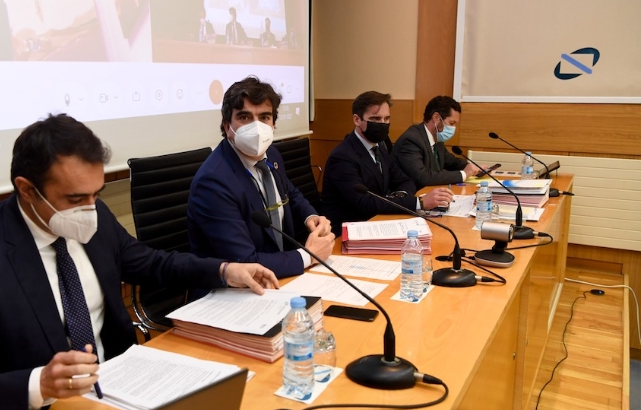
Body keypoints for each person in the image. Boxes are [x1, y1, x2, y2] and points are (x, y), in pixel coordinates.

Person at [0, 114, 279, 410]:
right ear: (27, 190)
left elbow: (149, 262)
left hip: (122, 388)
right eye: (75, 199)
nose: (89, 209)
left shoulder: (93, 216)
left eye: (97, 195)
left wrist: (225, 270)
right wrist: (38, 383)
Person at [188, 76, 335, 279]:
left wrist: (311, 217)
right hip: (233, 291)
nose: (256, 128)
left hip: (280, 275)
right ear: (226, 126)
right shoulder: (213, 182)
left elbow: (290, 192)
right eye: (245, 117)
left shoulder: (271, 154)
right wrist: (308, 257)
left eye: (264, 117)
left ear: (273, 124)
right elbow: (244, 262)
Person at [320, 91, 454, 236]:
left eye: (386, 118)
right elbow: (365, 203)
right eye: (376, 118)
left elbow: (405, 180)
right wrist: (419, 203)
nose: (382, 124)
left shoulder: (379, 148)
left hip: (377, 222)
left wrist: (400, 196)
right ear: (357, 120)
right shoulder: (342, 157)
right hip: (348, 232)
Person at [391, 95, 482, 188]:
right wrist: (463, 174)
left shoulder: (436, 138)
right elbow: (423, 177)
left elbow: (451, 162)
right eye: (451, 123)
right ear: (436, 117)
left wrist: (477, 169)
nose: (453, 128)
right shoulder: (411, 140)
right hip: (412, 196)